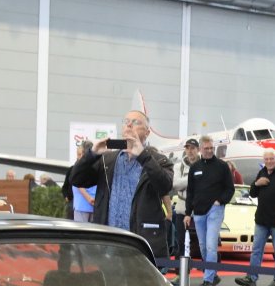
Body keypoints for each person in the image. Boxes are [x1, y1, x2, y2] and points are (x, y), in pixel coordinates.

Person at [68, 111, 172, 260]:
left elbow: (165, 185)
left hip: (141, 244)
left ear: (147, 132)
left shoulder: (159, 160)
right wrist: (91, 155)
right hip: (109, 243)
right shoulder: (107, 160)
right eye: (126, 121)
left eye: (136, 122)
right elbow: (76, 179)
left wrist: (143, 156)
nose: (129, 125)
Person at [235, 150, 275, 286]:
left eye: (271, 159)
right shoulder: (261, 173)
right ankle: (251, 278)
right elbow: (252, 193)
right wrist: (257, 183)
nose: (269, 161)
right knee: (256, 250)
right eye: (266, 159)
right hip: (261, 220)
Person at [183, 135, 235, 286]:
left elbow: (230, 188)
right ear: (200, 149)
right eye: (206, 148)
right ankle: (212, 274)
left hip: (215, 210)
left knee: (211, 245)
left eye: (211, 148)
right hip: (198, 212)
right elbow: (190, 192)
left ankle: (208, 281)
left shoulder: (222, 166)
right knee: (203, 247)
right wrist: (188, 213)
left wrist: (220, 201)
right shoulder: (195, 168)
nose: (209, 151)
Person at [170, 138, 199, 256]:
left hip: (199, 210)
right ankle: (181, 267)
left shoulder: (204, 165)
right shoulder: (178, 166)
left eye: (192, 148)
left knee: (201, 243)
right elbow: (175, 185)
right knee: (181, 243)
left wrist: (184, 182)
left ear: (198, 149)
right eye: (187, 148)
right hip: (182, 209)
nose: (190, 151)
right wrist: (193, 177)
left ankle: (204, 267)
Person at [69, 141, 97, 223]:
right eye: (78, 154)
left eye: (81, 154)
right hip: (84, 205)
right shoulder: (78, 166)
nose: (79, 156)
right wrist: (89, 198)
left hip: (91, 204)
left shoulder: (92, 164)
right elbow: (78, 184)